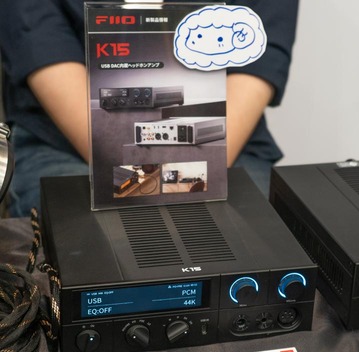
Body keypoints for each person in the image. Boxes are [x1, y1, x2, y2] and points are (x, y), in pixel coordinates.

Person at [0, 0, 298, 217]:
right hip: (66, 144)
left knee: (252, 234)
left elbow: (258, 64)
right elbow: (40, 44)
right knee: (99, 239)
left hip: (228, 141)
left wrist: (187, 171)